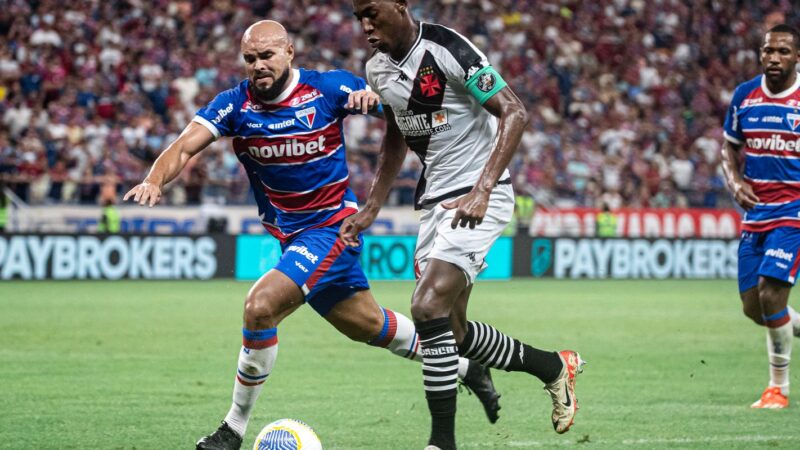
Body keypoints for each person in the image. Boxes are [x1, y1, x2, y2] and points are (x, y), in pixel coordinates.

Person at [123, 20, 500, 450]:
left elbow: (405, 112)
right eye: (250, 59)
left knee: (260, 308)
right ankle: (467, 367)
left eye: (267, 56)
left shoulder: (328, 89)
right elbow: (185, 145)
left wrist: (375, 99)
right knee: (371, 326)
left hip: (333, 229)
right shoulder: (234, 106)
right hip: (293, 238)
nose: (258, 66)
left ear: (289, 52)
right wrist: (155, 179)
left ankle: (232, 429)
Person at [344, 2, 585, 449]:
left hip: (478, 195)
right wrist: (373, 204)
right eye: (359, 16)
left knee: (426, 307)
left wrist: (483, 188)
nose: (366, 26)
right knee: (451, 334)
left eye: (373, 13)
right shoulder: (376, 68)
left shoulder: (449, 48)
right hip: (435, 202)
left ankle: (441, 442)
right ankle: (554, 367)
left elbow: (514, 111)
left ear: (400, 5)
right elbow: (396, 130)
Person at [721, 24, 800, 409]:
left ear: (797, 57)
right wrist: (735, 183)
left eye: (783, 52)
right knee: (755, 307)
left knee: (772, 294)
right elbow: (728, 148)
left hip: (795, 212)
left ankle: (778, 389)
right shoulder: (744, 96)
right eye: (768, 51)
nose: (774, 58)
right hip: (756, 213)